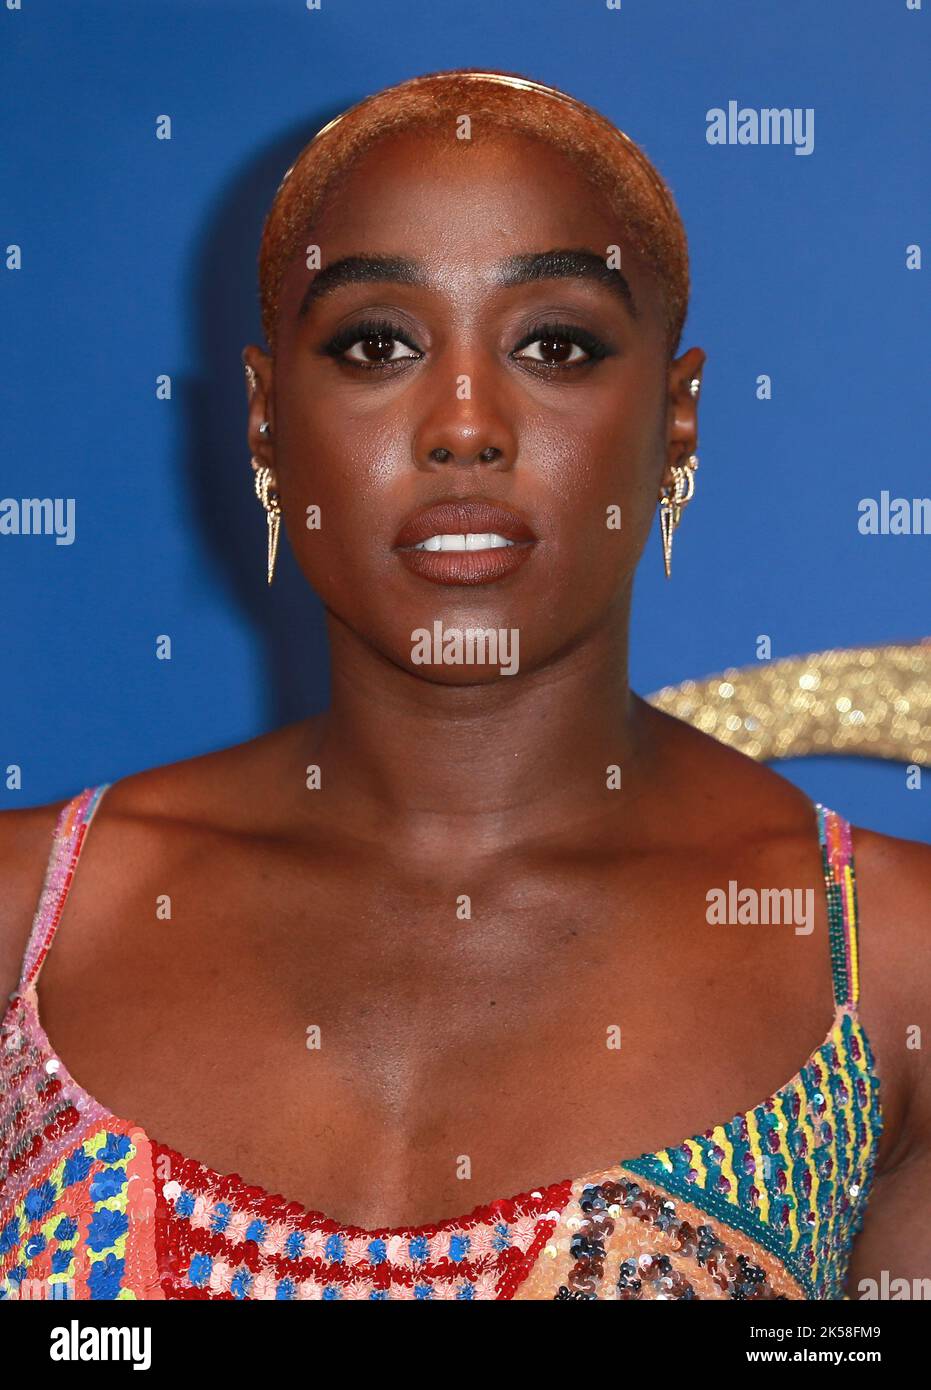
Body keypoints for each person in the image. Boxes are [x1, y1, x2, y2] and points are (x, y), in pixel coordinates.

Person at [1, 69, 928, 1302]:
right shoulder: (28, 921)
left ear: (678, 416)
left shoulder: (891, 964)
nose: (463, 425)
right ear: (268, 420)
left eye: (555, 343)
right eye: (376, 342)